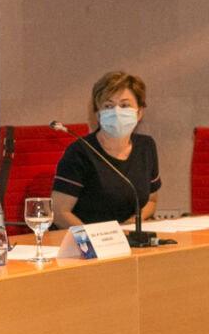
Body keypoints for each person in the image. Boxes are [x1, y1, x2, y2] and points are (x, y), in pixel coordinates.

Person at [51, 71, 161, 228]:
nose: (117, 112)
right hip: (86, 244)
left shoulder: (146, 146)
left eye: (124, 105)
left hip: (129, 241)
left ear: (139, 112)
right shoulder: (80, 152)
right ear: (97, 114)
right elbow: (60, 212)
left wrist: (130, 227)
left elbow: (151, 200)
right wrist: (93, 241)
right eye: (108, 106)